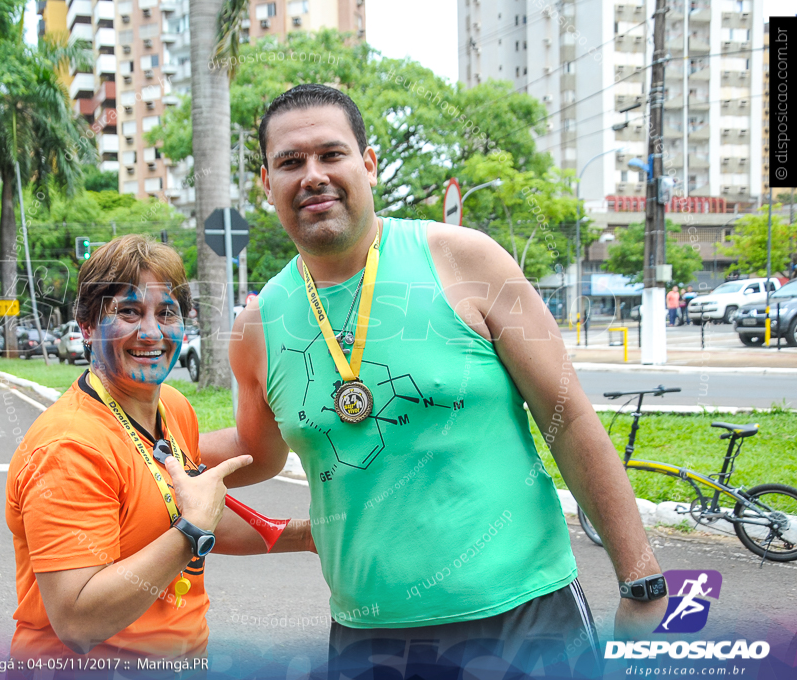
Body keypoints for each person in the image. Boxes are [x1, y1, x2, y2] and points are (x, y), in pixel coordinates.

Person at [199, 85, 667, 675]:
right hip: (367, 640)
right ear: (267, 184)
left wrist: (641, 579)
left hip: (526, 618)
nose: (312, 175)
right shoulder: (259, 324)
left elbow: (568, 418)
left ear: (367, 165)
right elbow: (256, 453)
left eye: (331, 154)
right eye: (291, 162)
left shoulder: (465, 260)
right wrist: (140, 439)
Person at [5, 235, 315, 661]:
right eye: (129, 311)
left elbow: (179, 512)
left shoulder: (172, 408)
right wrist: (191, 532)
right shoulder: (68, 448)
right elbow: (78, 622)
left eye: (166, 312)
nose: (151, 331)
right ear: (87, 327)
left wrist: (306, 536)